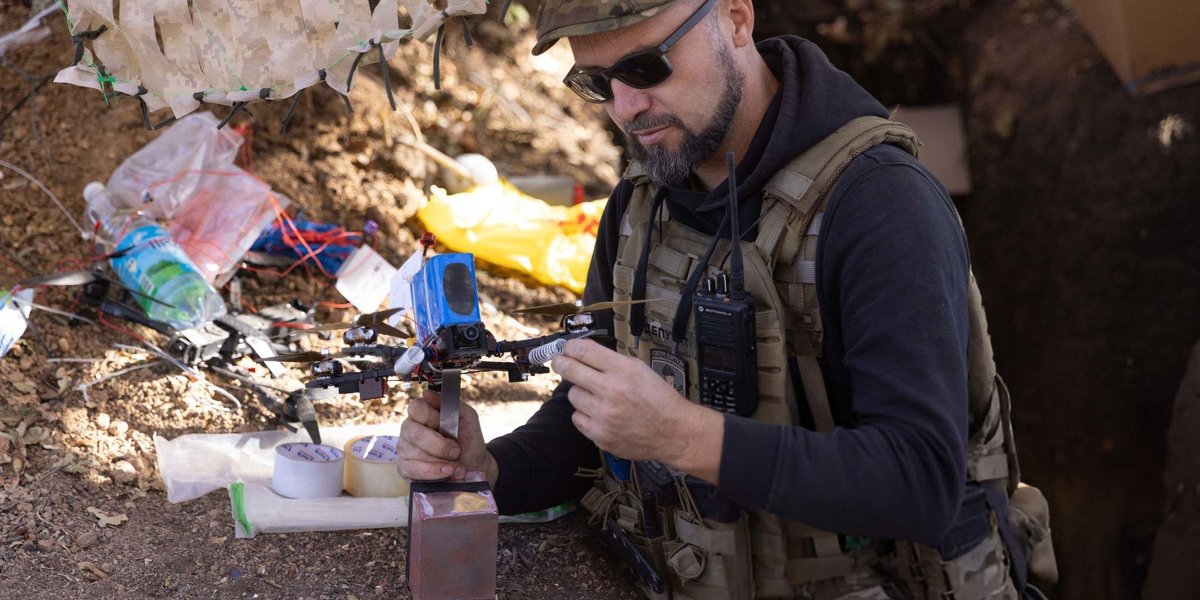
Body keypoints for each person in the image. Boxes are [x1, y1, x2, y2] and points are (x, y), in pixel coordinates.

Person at [398, 1, 1053, 598]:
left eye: (646, 66)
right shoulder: (639, 202)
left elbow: (922, 480)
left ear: (736, 19)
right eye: (598, 83)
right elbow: (592, 410)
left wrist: (684, 437)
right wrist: (489, 467)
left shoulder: (881, 204)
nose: (626, 107)